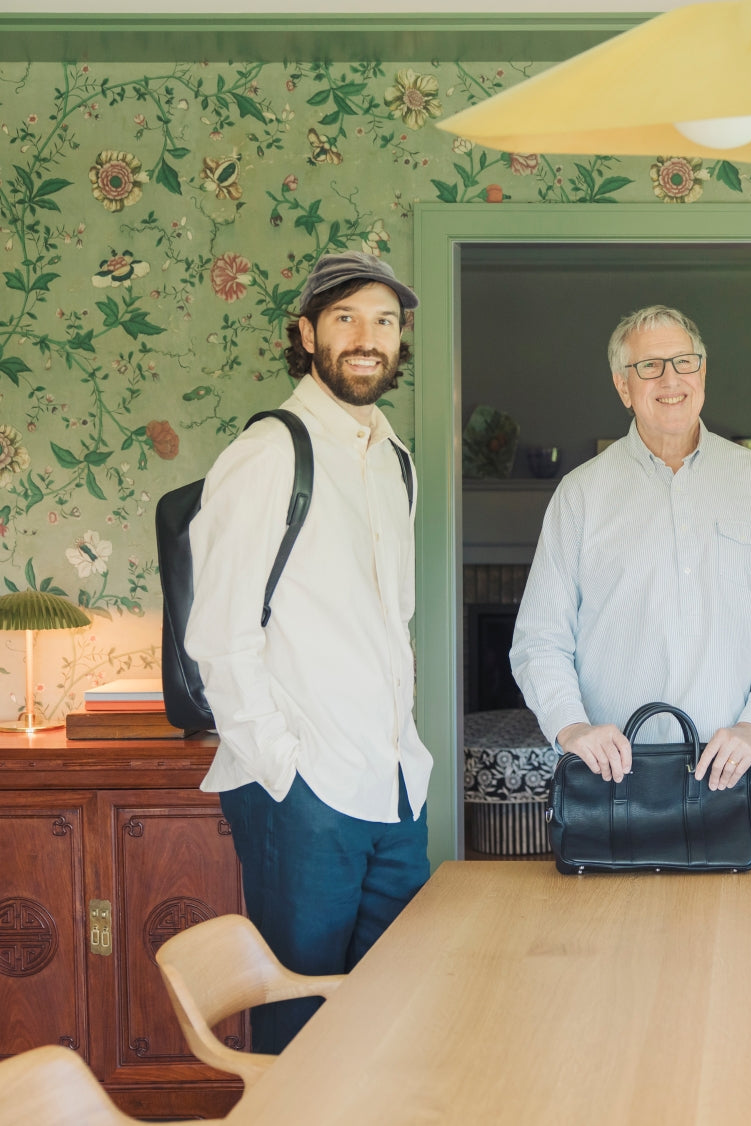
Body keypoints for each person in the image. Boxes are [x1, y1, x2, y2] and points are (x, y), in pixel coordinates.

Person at [185, 252, 429, 1053]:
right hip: (308, 792)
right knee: (299, 1033)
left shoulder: (397, 462)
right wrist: (284, 767)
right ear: (307, 333)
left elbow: (388, 625)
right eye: (346, 318)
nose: (368, 337)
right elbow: (219, 635)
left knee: (390, 1017)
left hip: (395, 787)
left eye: (385, 321)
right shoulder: (269, 455)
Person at [510, 305, 751, 809]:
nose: (670, 378)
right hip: (611, 783)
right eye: (649, 366)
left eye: (684, 362)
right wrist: (572, 728)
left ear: (703, 372)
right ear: (622, 386)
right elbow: (540, 639)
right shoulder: (580, 494)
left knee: (728, 893)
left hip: (727, 776)